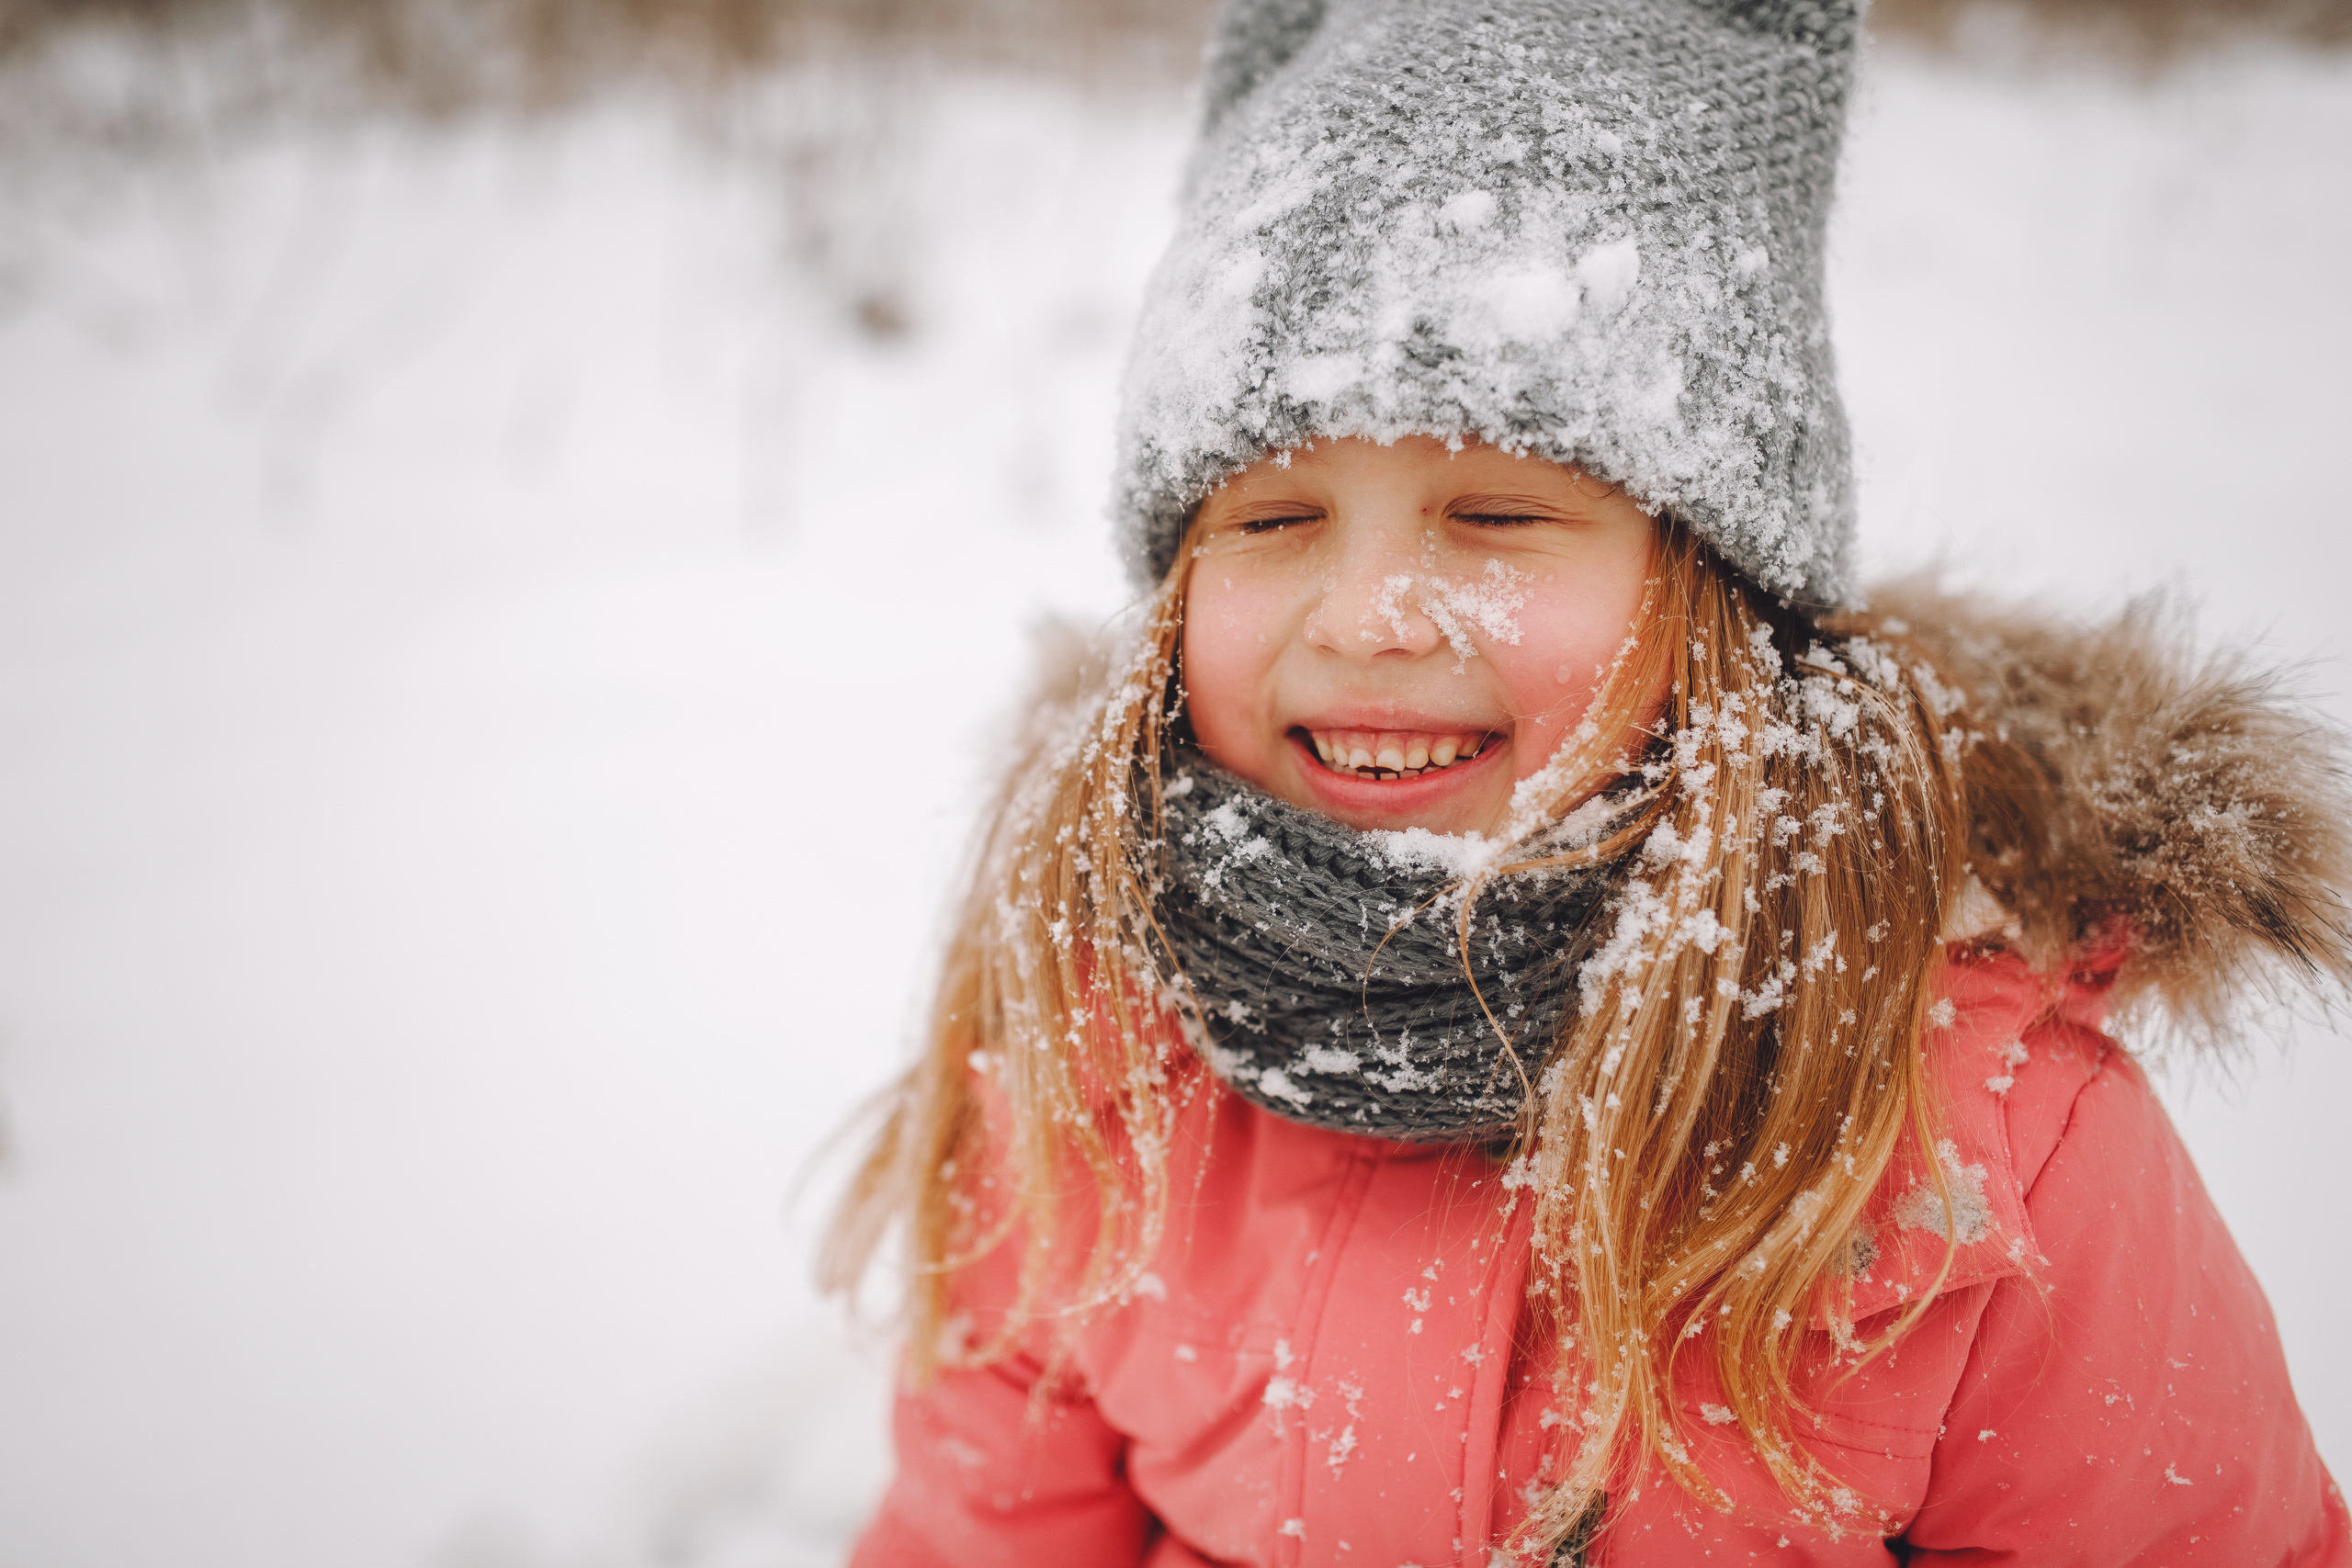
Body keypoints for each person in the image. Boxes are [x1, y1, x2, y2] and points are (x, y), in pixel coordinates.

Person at [826, 0, 2352, 1561]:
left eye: (1495, 511)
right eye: (1272, 520)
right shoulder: (1094, 1041)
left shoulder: (1978, 1141)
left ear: (1714, 595)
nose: (1368, 616)